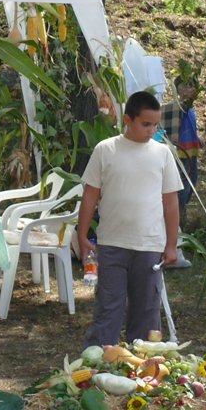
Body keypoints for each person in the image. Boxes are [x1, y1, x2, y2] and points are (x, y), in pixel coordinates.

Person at [75, 90, 182, 348]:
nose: (151, 130)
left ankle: (144, 366)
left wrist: (171, 244)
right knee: (108, 309)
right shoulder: (105, 150)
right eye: (145, 124)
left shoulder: (163, 154)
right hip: (111, 244)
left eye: (155, 125)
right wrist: (82, 234)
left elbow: (170, 202)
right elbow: (90, 195)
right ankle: (99, 362)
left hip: (149, 246)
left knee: (146, 312)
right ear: (127, 119)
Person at [159, 74, 200, 257]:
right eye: (188, 86)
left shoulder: (190, 110)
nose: (192, 89)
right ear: (178, 90)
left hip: (192, 155)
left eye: (194, 85)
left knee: (190, 187)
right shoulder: (179, 107)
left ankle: (180, 228)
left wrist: (197, 139)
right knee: (180, 192)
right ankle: (175, 231)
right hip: (182, 157)